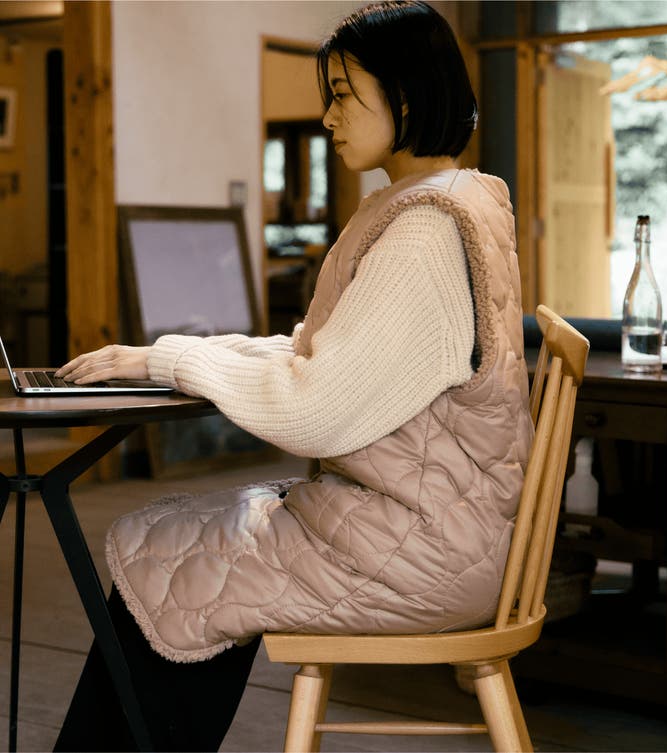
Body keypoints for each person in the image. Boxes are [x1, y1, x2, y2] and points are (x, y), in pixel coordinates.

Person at [54, 2, 533, 750]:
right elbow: (320, 351)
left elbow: (314, 409)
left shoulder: (424, 233)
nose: (328, 115)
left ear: (406, 96)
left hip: (419, 547)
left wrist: (167, 359)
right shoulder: (450, 202)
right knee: (176, 546)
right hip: (430, 525)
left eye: (343, 93)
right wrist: (164, 355)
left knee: (166, 557)